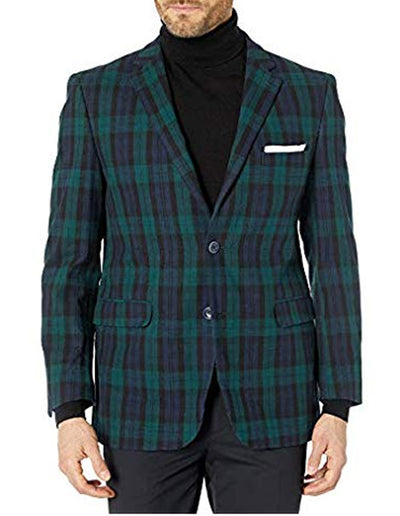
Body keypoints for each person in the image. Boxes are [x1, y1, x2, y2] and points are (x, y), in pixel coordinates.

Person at [41, 1, 362, 513]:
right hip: (141, 391)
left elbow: (334, 257)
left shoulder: (307, 94)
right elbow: (69, 264)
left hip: (271, 391)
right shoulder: (96, 95)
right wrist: (69, 408)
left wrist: (338, 405)